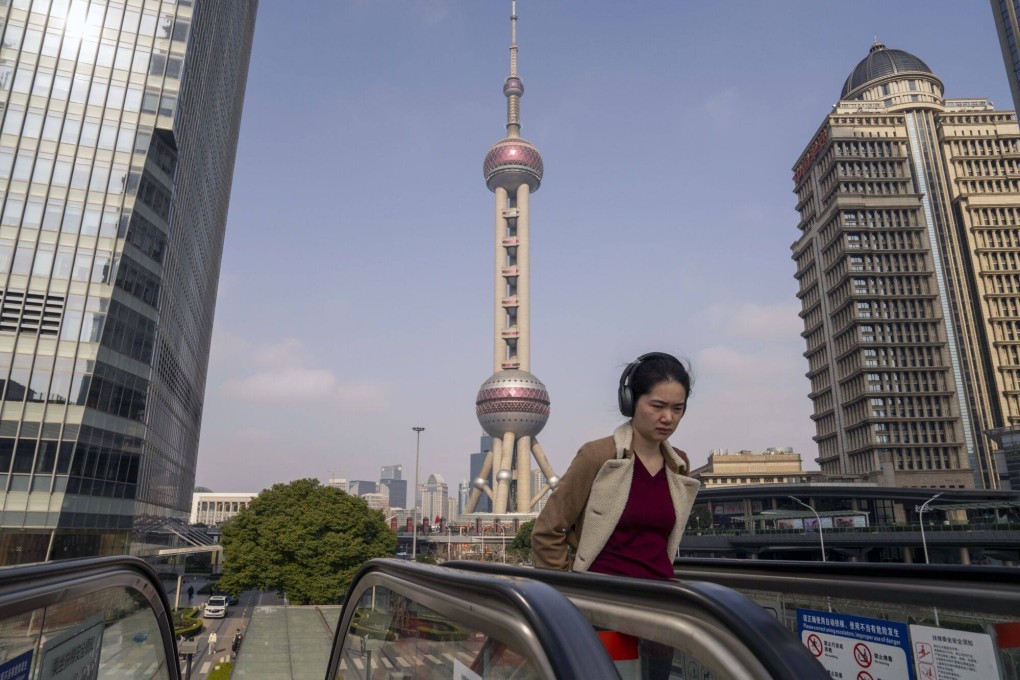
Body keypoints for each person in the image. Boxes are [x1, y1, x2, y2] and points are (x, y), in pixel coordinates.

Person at [531, 352, 701, 679]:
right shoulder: (598, 456)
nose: (667, 417)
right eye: (657, 405)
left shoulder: (678, 464)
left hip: (660, 613)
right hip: (603, 611)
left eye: (677, 409)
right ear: (631, 402)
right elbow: (547, 531)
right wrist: (576, 590)